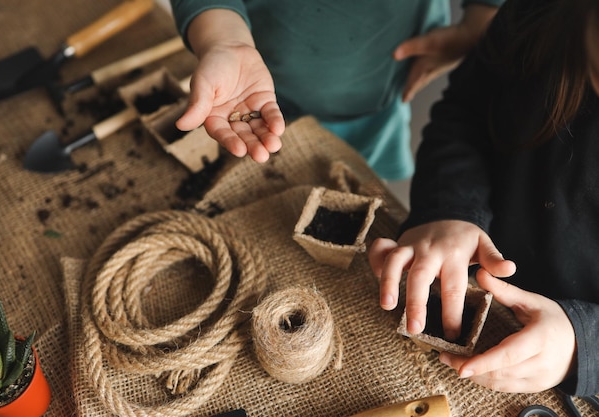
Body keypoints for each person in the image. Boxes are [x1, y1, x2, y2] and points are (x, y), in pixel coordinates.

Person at [368, 0, 599, 396]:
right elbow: (466, 116)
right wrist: (450, 210)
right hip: (476, 271)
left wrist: (585, 345)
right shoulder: (537, 14)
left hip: (571, 371)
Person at [168, 0, 503, 180]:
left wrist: (484, 18)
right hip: (256, 86)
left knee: (355, 187)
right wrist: (224, 40)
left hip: (376, 106)